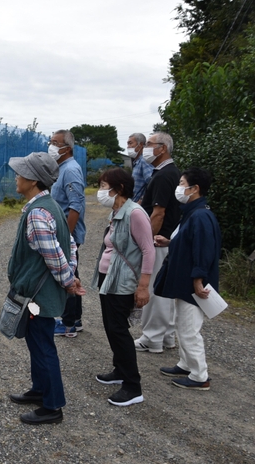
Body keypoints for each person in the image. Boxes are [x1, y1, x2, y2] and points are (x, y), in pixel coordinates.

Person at [6, 152, 81, 425]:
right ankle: (39, 390)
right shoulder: (49, 206)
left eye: (21, 172)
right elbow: (70, 245)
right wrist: (70, 275)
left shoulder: (38, 212)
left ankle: (52, 406)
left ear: (34, 180)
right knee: (37, 344)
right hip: (41, 293)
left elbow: (53, 255)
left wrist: (68, 282)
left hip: (38, 296)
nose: (16, 176)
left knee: (43, 346)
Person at [91, 168, 155, 406]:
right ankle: (119, 370)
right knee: (110, 326)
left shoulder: (135, 213)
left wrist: (143, 285)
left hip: (124, 281)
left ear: (118, 189)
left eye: (103, 185)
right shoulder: (116, 210)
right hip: (109, 277)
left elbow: (148, 250)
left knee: (118, 330)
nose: (100, 191)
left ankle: (132, 386)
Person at [156, 167, 221, 390]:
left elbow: (203, 251)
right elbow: (189, 242)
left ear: (195, 189)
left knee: (188, 328)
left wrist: (198, 279)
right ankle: (186, 363)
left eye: (182, 183)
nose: (179, 187)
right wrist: (170, 242)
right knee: (182, 323)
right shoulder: (193, 213)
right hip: (184, 281)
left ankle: (199, 376)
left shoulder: (200, 215)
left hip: (192, 284)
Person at [134, 132, 181, 353]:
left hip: (158, 239)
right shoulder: (171, 173)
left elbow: (158, 213)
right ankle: (167, 336)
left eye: (150, 145)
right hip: (167, 239)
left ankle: (152, 337)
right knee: (165, 288)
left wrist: (146, 243)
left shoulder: (163, 176)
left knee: (153, 289)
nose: (145, 149)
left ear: (162, 148)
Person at [49, 129, 86, 338]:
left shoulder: (70, 170)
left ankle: (68, 323)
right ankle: (74, 319)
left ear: (67, 149)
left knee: (68, 274)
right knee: (71, 273)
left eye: (55, 143)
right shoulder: (62, 168)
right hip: (62, 232)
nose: (51, 146)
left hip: (67, 235)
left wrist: (66, 237)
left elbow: (75, 207)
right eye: (51, 141)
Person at [123, 133, 154, 204]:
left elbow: (152, 183)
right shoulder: (137, 162)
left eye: (130, 143)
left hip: (141, 206)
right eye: (127, 144)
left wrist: (142, 200)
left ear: (140, 145)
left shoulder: (144, 161)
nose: (128, 147)